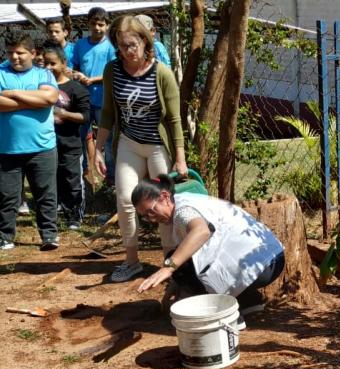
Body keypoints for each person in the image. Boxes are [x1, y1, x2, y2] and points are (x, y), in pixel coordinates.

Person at [96, 15, 187, 283]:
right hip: (129, 143)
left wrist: (180, 159)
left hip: (158, 146)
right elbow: (108, 113)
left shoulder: (162, 73)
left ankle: (170, 261)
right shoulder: (113, 70)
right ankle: (131, 260)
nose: (126, 52)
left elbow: (174, 119)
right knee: (125, 198)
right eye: (121, 46)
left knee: (163, 204)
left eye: (131, 45)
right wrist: (98, 149)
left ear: (145, 41)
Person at [133, 175, 285, 329]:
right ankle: (248, 300)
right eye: (145, 217)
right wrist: (172, 287)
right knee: (183, 256)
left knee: (182, 262)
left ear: (164, 197)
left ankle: (225, 318)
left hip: (260, 266)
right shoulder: (186, 200)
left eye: (151, 211)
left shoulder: (182, 211)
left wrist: (168, 267)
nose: (151, 219)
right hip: (273, 258)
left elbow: (201, 231)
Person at [0, 33, 60, 251]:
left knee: (45, 194)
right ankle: (5, 236)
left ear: (33, 54)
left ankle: (49, 235)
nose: (14, 57)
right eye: (9, 52)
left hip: (42, 147)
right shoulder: (0, 73)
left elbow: (50, 99)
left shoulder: (43, 74)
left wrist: (14, 94)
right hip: (6, 148)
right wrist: (33, 101)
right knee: (6, 196)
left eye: (20, 53)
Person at [43, 44, 89, 230]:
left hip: (70, 144)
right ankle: (54, 213)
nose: (48, 67)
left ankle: (75, 216)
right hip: (46, 145)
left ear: (63, 63)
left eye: (52, 63)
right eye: (45, 63)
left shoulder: (75, 89)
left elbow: (85, 117)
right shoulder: (40, 88)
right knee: (51, 180)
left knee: (72, 180)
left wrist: (63, 113)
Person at [71, 7, 116, 185]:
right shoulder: (80, 45)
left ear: (107, 25)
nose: (97, 28)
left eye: (101, 24)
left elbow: (113, 72)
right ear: (88, 24)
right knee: (80, 138)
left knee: (109, 141)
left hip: (104, 100)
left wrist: (93, 80)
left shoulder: (111, 46)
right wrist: (78, 75)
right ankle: (82, 174)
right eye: (93, 24)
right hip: (83, 100)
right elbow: (74, 67)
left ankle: (111, 178)